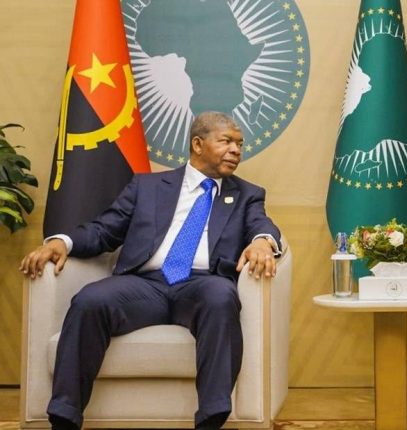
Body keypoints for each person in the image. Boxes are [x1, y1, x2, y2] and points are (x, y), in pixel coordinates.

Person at [19, 111, 282, 430]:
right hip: (145, 285)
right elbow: (105, 230)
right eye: (226, 141)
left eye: (239, 144)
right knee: (90, 300)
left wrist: (263, 241)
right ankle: (65, 415)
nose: (236, 150)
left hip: (202, 285)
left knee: (221, 296)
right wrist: (63, 242)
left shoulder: (247, 194)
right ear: (198, 144)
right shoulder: (147, 186)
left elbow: (261, 225)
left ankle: (211, 417)